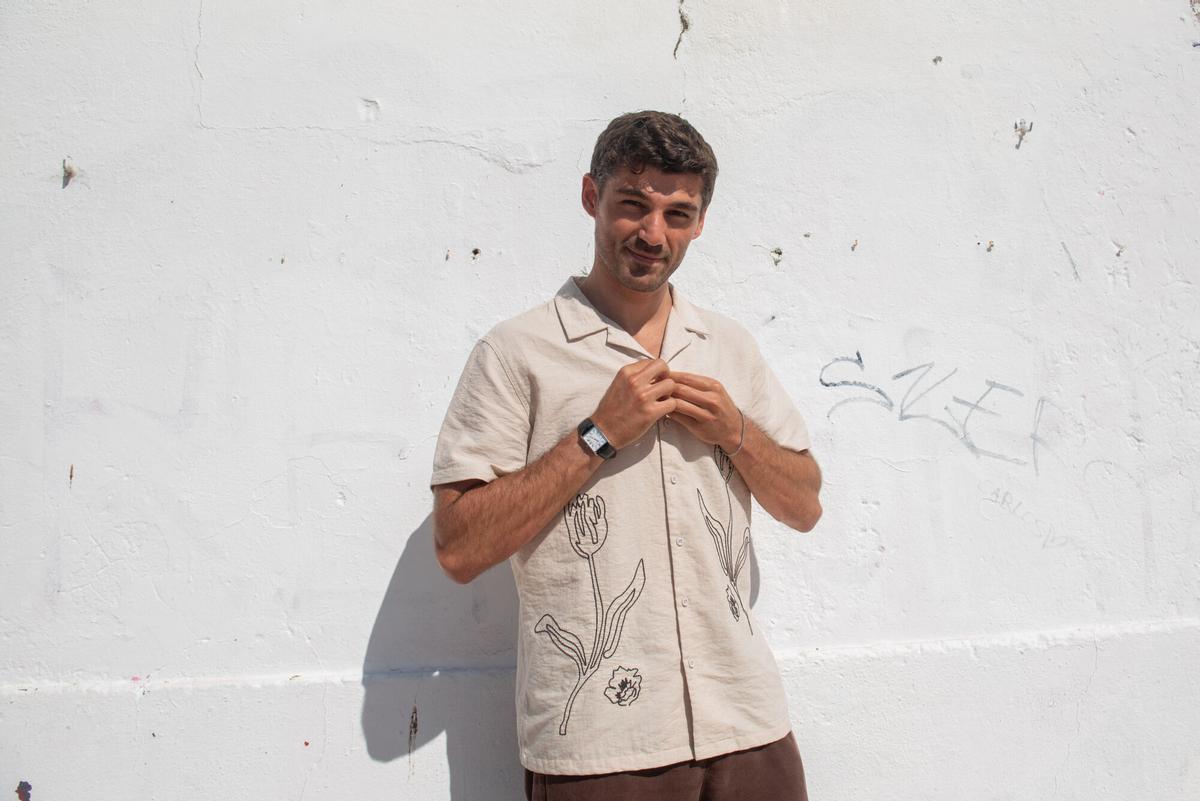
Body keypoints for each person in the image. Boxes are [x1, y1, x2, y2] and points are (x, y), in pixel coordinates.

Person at [430, 110, 823, 801]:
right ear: (592, 197)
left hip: (749, 727)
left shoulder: (727, 346)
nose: (653, 233)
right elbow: (458, 548)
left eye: (678, 213)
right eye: (633, 205)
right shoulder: (516, 352)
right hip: (600, 749)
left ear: (700, 222)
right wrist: (596, 434)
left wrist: (736, 431)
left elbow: (805, 503)